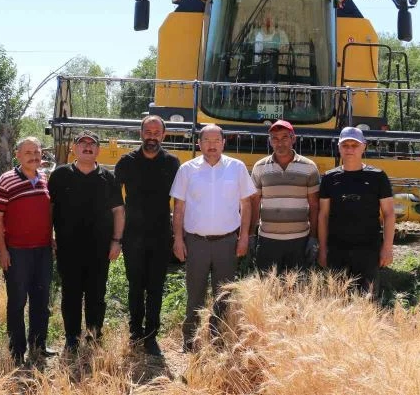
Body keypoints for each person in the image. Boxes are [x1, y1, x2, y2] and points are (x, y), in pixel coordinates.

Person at [170, 124, 257, 352]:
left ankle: (217, 341)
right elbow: (178, 208)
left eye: (216, 140)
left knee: (224, 295)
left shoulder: (236, 168)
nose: (211, 145)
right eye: (206, 140)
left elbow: (246, 204)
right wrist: (178, 239)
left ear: (223, 143)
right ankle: (190, 341)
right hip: (196, 242)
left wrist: (244, 237)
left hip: (227, 242)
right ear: (199, 143)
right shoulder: (187, 170)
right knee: (195, 294)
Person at [48, 130, 125, 353]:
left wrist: (117, 241)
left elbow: (119, 211)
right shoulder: (60, 175)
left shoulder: (107, 178)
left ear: (98, 150)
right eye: (83, 143)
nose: (88, 147)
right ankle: (71, 337)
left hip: (99, 249)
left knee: (96, 295)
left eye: (92, 144)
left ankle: (93, 336)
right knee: (70, 294)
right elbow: (49, 209)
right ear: (75, 148)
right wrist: (48, 235)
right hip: (67, 247)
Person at [114, 115, 180, 356]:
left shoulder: (172, 163)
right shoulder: (126, 162)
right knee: (135, 286)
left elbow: (182, 200)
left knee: (155, 287)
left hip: (161, 235)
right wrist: (116, 235)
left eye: (156, 132)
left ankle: (151, 335)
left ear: (163, 135)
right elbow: (114, 200)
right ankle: (135, 331)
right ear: (140, 133)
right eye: (148, 131)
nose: (152, 136)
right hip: (133, 236)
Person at [0, 137, 57, 366]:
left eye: (37, 152)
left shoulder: (45, 179)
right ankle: (17, 350)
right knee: (17, 302)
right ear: (18, 155)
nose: (33, 156)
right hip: (17, 252)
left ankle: (38, 345)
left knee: (41, 301)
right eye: (28, 152)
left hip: (42, 251)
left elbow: (48, 213)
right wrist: (2, 250)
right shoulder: (6, 181)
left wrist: (51, 237)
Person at [318, 126, 396, 295]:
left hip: (368, 250)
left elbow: (389, 213)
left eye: (355, 145)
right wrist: (323, 249)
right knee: (337, 299)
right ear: (338, 147)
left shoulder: (378, 177)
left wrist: (387, 247)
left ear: (364, 147)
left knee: (368, 301)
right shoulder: (329, 178)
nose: (350, 149)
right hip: (337, 250)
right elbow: (323, 216)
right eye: (345, 145)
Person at [250, 120, 320, 274]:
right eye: (275, 138)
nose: (279, 143)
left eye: (284, 138)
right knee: (267, 290)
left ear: (293, 139)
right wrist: (251, 235)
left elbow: (315, 206)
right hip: (267, 240)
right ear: (270, 141)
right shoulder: (259, 167)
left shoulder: (309, 167)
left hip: (299, 240)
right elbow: (255, 203)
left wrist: (314, 238)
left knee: (296, 291)